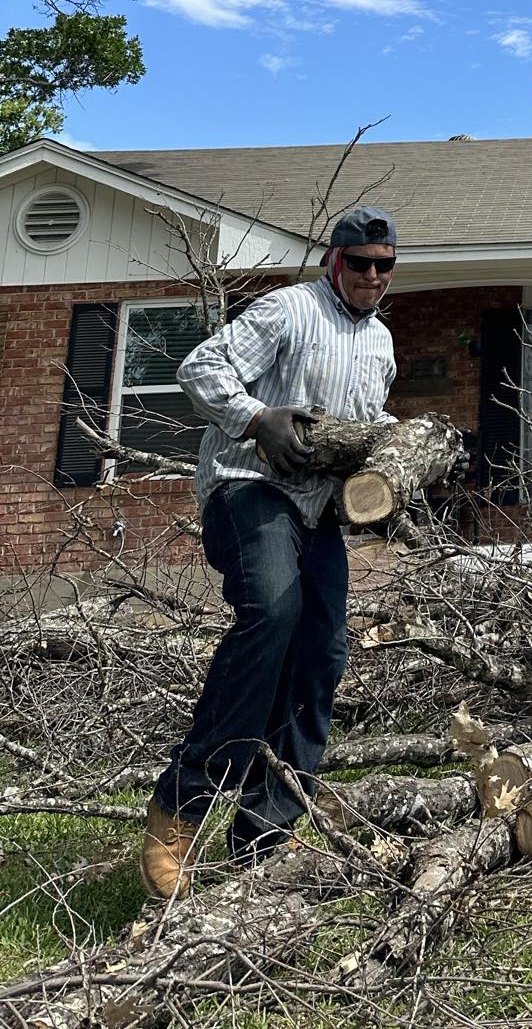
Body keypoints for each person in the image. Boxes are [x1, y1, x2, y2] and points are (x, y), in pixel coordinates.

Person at [139, 207, 399, 899]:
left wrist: (410, 449)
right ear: (334, 261)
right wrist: (258, 418)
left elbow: (365, 427)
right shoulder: (288, 310)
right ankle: (180, 805)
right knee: (273, 611)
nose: (372, 275)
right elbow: (200, 366)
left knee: (323, 653)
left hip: (317, 512)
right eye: (360, 262)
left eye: (384, 265)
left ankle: (264, 839)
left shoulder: (380, 342)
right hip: (247, 489)